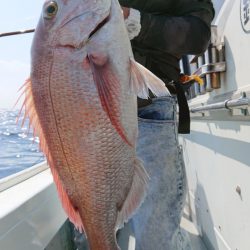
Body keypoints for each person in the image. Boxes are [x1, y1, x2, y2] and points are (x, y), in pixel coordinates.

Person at [118, 1, 215, 249]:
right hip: (91, 117)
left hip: (149, 110)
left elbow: (198, 36)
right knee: (91, 219)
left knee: (154, 238)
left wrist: (136, 20)